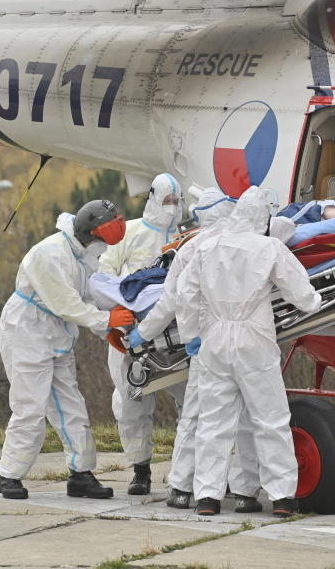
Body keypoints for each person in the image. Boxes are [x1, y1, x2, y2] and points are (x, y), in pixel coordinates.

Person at [175, 186, 322, 518]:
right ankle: (282, 496)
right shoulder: (268, 247)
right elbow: (300, 291)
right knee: (270, 419)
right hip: (254, 340)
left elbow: (185, 295)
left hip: (214, 340)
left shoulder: (208, 247)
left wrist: (191, 335)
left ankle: (208, 497)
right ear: (263, 217)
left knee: (213, 421)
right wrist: (314, 303)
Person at [129, 188, 264, 513]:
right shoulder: (253, 243)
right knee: (246, 416)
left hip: (207, 344)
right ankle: (245, 493)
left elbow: (171, 300)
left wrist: (141, 334)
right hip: (251, 342)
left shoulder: (192, 249)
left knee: (194, 418)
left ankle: (181, 489)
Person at [0, 199, 133, 500]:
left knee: (70, 404)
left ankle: (80, 474)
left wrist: (107, 329)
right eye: (101, 241)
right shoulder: (49, 255)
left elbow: (89, 295)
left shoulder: (82, 252)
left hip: (57, 334)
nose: (102, 249)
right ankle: (10, 474)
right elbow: (66, 304)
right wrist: (106, 320)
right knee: (30, 406)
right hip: (27, 331)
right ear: (89, 232)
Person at [98, 173, 182, 496]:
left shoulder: (183, 236)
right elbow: (104, 273)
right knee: (131, 401)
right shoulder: (130, 233)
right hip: (130, 331)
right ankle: (141, 469)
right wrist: (119, 308)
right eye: (166, 201)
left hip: (174, 336)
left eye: (176, 202)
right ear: (152, 199)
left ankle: (185, 470)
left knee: (191, 399)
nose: (172, 208)